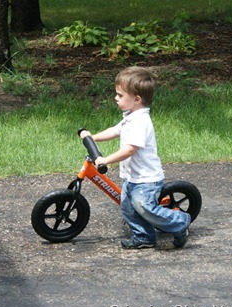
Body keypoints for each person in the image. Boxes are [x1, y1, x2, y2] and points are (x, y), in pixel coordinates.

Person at [79, 66, 191, 249]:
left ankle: (180, 222)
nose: (116, 98)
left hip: (146, 179)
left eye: (120, 95)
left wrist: (106, 160)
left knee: (144, 207)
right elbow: (116, 130)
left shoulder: (140, 122)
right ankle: (144, 238)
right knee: (128, 209)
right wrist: (94, 137)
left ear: (137, 99)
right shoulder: (131, 116)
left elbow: (130, 150)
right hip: (133, 177)